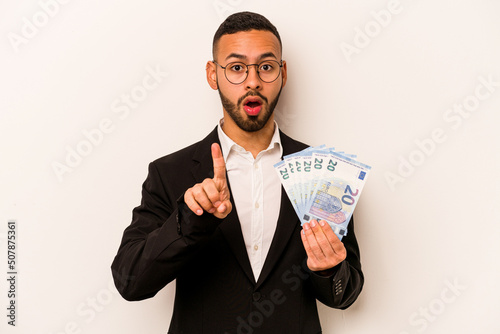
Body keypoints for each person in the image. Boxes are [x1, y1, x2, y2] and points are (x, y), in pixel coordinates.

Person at [111, 11, 363, 334]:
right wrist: (189, 221)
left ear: (283, 74)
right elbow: (129, 281)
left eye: (266, 67)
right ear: (213, 74)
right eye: (237, 68)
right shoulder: (169, 173)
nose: (253, 81)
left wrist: (329, 270)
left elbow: (347, 292)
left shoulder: (322, 173)